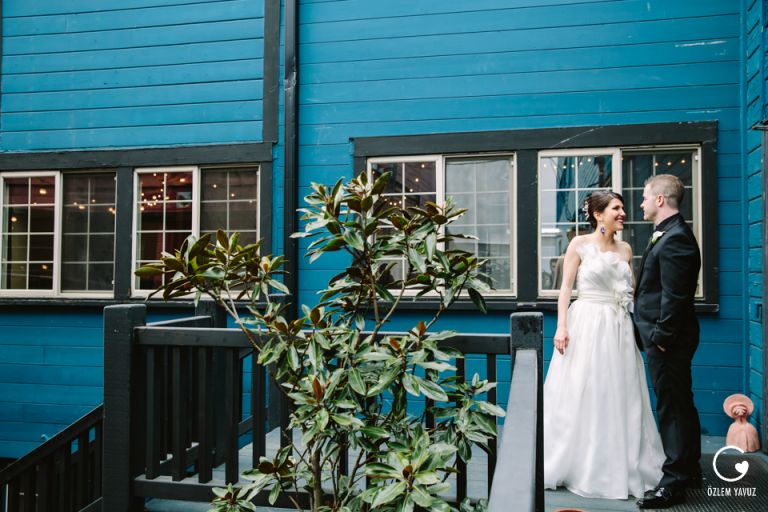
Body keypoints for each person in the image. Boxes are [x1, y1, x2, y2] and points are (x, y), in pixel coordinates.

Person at [543, 191, 664, 499]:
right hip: (586, 322)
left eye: (622, 208)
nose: (623, 213)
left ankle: (620, 460)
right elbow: (565, 288)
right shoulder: (579, 244)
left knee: (620, 390)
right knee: (585, 387)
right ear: (598, 214)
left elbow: (632, 289)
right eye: (616, 208)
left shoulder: (625, 248)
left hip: (618, 326)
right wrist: (561, 326)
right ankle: (579, 461)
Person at [634, 175, 702, 509]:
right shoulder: (670, 234)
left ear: (660, 200)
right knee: (680, 403)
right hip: (665, 337)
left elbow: (675, 297)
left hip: (668, 340)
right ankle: (689, 469)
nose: (641, 203)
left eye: (645, 197)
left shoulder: (676, 239)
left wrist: (660, 338)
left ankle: (673, 483)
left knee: (672, 408)